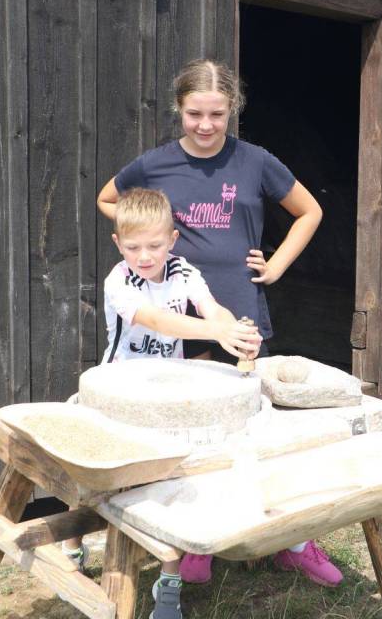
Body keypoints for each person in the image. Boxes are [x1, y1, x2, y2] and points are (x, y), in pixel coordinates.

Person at [95, 59, 341, 591]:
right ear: (178, 110)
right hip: (179, 321)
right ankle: (192, 545)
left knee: (252, 432)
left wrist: (274, 266)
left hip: (236, 311)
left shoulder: (254, 161)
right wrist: (146, 240)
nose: (205, 125)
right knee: (190, 443)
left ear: (233, 110)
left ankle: (287, 542)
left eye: (216, 114)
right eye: (193, 114)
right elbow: (106, 198)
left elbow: (309, 211)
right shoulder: (156, 164)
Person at [65, 187, 262, 619]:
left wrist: (237, 334)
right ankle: (72, 551)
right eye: (133, 247)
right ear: (118, 244)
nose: (145, 255)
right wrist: (215, 334)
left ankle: (168, 583)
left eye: (155, 245)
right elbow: (155, 320)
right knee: (88, 482)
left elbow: (212, 311)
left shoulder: (184, 271)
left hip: (167, 399)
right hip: (118, 393)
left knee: (171, 486)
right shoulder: (119, 280)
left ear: (172, 240)